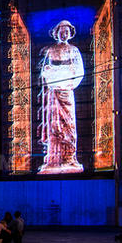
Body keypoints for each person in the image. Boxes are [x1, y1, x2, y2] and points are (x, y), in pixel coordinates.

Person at [37, 19, 85, 174]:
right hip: (53, 94)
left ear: (70, 33)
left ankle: (69, 159)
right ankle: (53, 159)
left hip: (67, 92)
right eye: (61, 31)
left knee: (69, 127)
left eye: (67, 31)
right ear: (56, 33)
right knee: (54, 126)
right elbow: (45, 71)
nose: (64, 34)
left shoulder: (74, 50)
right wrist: (57, 73)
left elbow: (78, 72)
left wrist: (65, 78)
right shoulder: (50, 51)